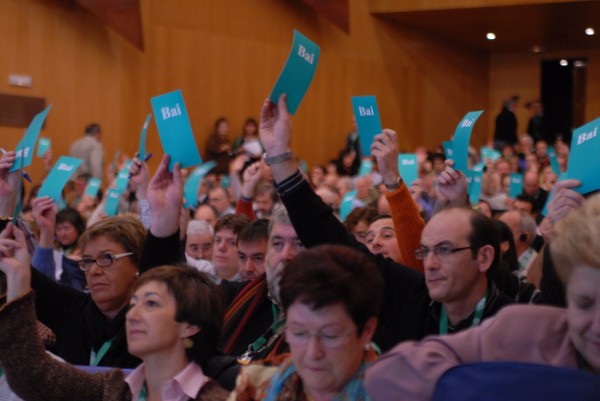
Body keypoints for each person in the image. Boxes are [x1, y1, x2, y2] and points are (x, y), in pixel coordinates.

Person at [365, 192, 600, 401]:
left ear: (485, 257)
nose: (430, 264)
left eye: (445, 250)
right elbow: (387, 374)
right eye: (584, 303)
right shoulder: (530, 328)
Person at [0, 225, 228, 400]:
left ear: (189, 325)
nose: (132, 314)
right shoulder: (117, 387)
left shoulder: (216, 397)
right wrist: (18, 277)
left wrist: (162, 221)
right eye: (134, 303)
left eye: (150, 304)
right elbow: (32, 375)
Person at [229, 244, 381, 401]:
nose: (313, 353)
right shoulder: (256, 385)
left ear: (367, 330)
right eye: (299, 333)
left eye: (330, 336)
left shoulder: (396, 393)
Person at [212, 214, 251, 282]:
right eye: (218, 240)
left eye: (231, 242)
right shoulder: (202, 275)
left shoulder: (248, 285)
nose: (221, 247)